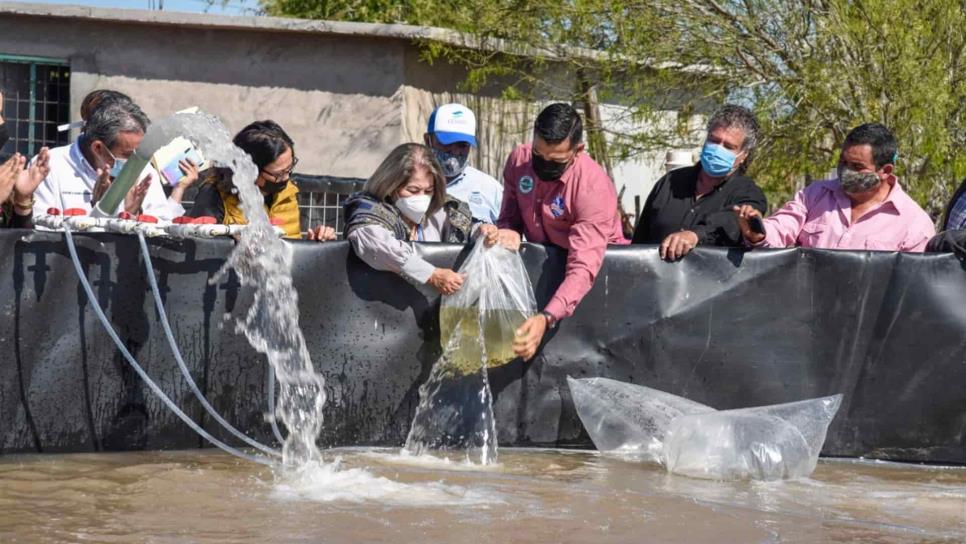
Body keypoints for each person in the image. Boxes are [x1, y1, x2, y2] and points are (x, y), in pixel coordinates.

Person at [481, 103, 627, 360]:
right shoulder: (519, 161)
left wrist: (547, 317)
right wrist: (507, 232)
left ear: (578, 150)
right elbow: (509, 219)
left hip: (600, 278)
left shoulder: (592, 188)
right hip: (547, 268)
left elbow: (583, 267)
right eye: (539, 154)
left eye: (556, 160)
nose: (544, 164)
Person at [734, 123, 935, 252]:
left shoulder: (914, 225)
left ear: (885, 171)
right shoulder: (814, 195)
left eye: (857, 167)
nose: (845, 171)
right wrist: (758, 231)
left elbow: (909, 291)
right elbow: (781, 227)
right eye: (843, 162)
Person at [632, 105, 768, 260]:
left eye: (729, 147)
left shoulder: (748, 194)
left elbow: (732, 220)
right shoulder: (670, 182)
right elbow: (639, 242)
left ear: (743, 155)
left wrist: (696, 235)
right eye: (714, 140)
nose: (718, 149)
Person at [343, 143, 474, 294]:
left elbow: (468, 231)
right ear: (391, 186)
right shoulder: (368, 209)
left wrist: (483, 232)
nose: (422, 197)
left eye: (428, 191)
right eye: (413, 190)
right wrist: (431, 274)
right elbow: (375, 243)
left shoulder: (445, 208)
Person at [32, 96, 185, 220]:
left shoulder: (144, 170)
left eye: (138, 154)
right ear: (98, 148)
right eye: (127, 155)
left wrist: (133, 215)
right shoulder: (50, 166)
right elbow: (40, 231)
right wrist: (99, 211)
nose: (135, 162)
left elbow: (162, 228)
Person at [187, 120, 334, 241]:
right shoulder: (214, 195)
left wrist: (313, 244)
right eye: (279, 174)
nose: (287, 178)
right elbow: (201, 248)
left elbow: (291, 253)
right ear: (250, 171)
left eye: (290, 169)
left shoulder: (287, 193)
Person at [423, 103, 503, 223]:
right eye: (447, 143)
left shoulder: (490, 189)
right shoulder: (411, 184)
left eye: (462, 145)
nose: (454, 151)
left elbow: (512, 235)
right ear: (428, 140)